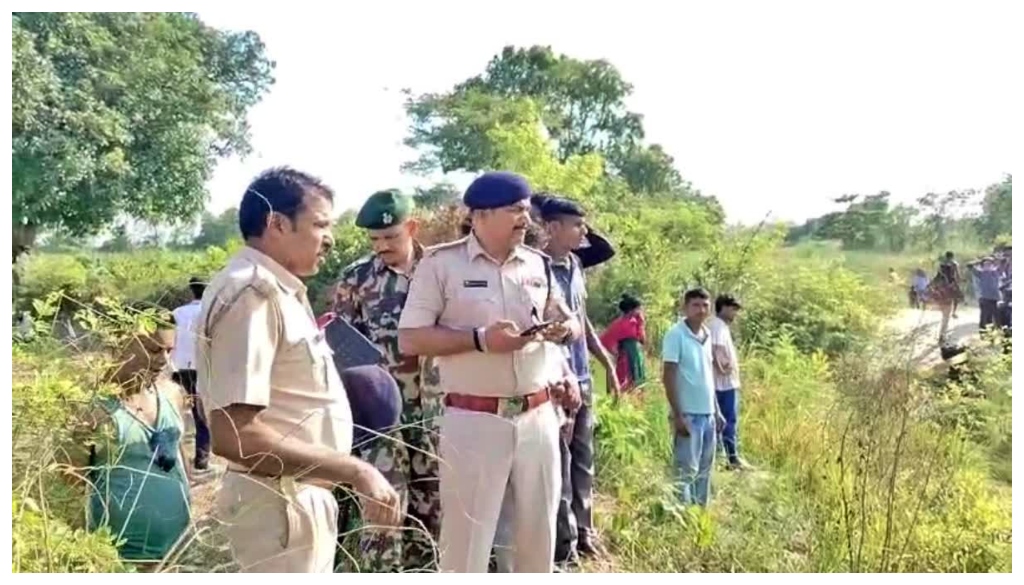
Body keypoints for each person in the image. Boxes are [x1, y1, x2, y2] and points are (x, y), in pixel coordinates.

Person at [195, 167, 402, 573]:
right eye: (320, 224)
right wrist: (355, 470)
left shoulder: (279, 291)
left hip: (293, 501)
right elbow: (235, 435)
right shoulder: (254, 294)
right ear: (276, 224)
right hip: (279, 506)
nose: (330, 239)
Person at [397, 170, 583, 573]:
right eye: (514, 210)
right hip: (474, 421)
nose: (525, 219)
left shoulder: (536, 264)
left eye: (525, 210)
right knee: (467, 547)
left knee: (537, 542)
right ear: (480, 215)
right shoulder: (441, 265)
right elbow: (411, 339)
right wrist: (480, 339)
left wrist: (565, 334)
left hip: (538, 418)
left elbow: (565, 320)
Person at [332, 190, 443, 572]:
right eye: (374, 240)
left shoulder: (442, 270)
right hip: (382, 418)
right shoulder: (357, 278)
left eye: (390, 237)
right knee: (385, 508)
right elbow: (341, 345)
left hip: (437, 412)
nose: (381, 247)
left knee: (436, 503)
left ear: (411, 228)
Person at [72, 310, 191, 567]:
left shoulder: (172, 394)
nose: (163, 361)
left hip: (176, 549)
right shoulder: (93, 410)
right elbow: (71, 485)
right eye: (153, 350)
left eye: (169, 351)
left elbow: (181, 461)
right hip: (118, 554)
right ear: (119, 345)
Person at [536, 196, 618, 567]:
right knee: (560, 462)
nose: (584, 232)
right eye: (576, 225)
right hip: (554, 383)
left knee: (584, 459)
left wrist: (606, 364)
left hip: (583, 377)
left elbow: (581, 323)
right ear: (551, 227)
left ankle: (585, 533)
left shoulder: (574, 266)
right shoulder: (535, 269)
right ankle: (562, 546)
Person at [661, 288, 724, 507]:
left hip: (707, 414)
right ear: (685, 308)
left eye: (705, 305)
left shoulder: (706, 335)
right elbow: (668, 375)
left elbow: (708, 375)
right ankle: (680, 519)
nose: (701, 310)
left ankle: (699, 517)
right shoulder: (676, 335)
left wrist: (717, 410)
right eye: (695, 305)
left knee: (705, 471)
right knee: (685, 473)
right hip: (687, 414)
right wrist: (677, 415)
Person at [170, 276, 210, 472]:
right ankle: (201, 459)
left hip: (180, 366)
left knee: (184, 412)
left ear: (191, 291)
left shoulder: (177, 312)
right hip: (203, 367)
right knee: (202, 413)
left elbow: (171, 339)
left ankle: (178, 458)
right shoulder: (209, 311)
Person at [708, 295, 750, 471]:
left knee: (726, 420)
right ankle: (730, 458)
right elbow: (715, 348)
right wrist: (721, 369)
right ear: (723, 308)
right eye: (733, 309)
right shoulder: (717, 325)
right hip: (723, 384)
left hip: (726, 382)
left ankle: (727, 457)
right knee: (727, 420)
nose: (735, 313)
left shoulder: (721, 326)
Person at [600, 295, 648, 393]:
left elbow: (643, 340)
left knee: (638, 381)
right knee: (626, 382)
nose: (640, 311)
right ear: (631, 310)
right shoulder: (619, 324)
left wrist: (642, 324)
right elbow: (604, 340)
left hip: (636, 356)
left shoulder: (636, 322)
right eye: (638, 309)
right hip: (626, 357)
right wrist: (615, 353)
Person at [967, 256, 1003, 332]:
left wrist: (996, 259)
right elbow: (969, 265)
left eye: (990, 264)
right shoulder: (980, 273)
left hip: (994, 298)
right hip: (984, 298)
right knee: (984, 316)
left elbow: (1003, 261)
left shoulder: (996, 272)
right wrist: (979, 261)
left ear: (993, 265)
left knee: (996, 317)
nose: (988, 265)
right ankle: (983, 333)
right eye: (986, 264)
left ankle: (996, 333)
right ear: (982, 266)